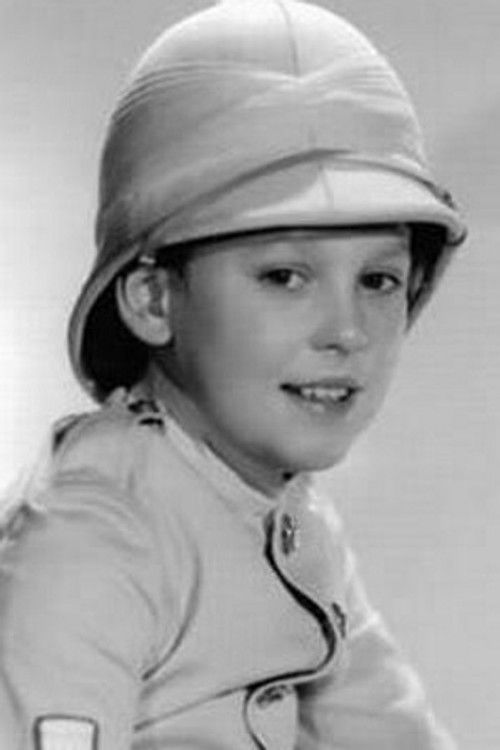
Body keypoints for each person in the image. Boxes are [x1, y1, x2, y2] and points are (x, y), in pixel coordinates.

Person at [0, 1, 467, 748]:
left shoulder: (296, 520)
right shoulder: (91, 539)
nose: (347, 331)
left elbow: (388, 730)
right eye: (284, 276)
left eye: (378, 280)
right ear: (154, 298)